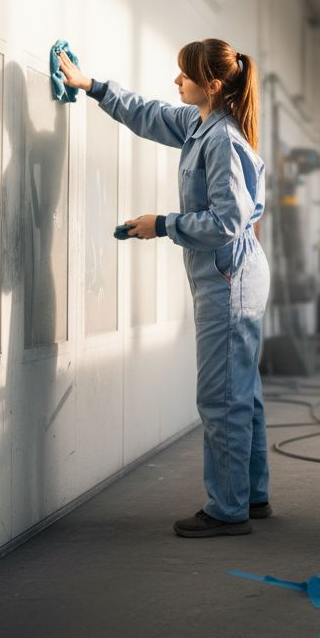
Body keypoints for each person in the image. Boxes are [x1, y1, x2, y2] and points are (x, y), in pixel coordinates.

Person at [58, 39, 271, 538]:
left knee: (221, 396)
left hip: (230, 279)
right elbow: (149, 114)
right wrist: (92, 86)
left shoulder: (222, 140)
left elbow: (226, 222)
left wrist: (163, 224)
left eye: (185, 74)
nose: (177, 81)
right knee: (241, 390)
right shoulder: (201, 123)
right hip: (229, 275)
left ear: (212, 85)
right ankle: (251, 496)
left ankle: (228, 510)